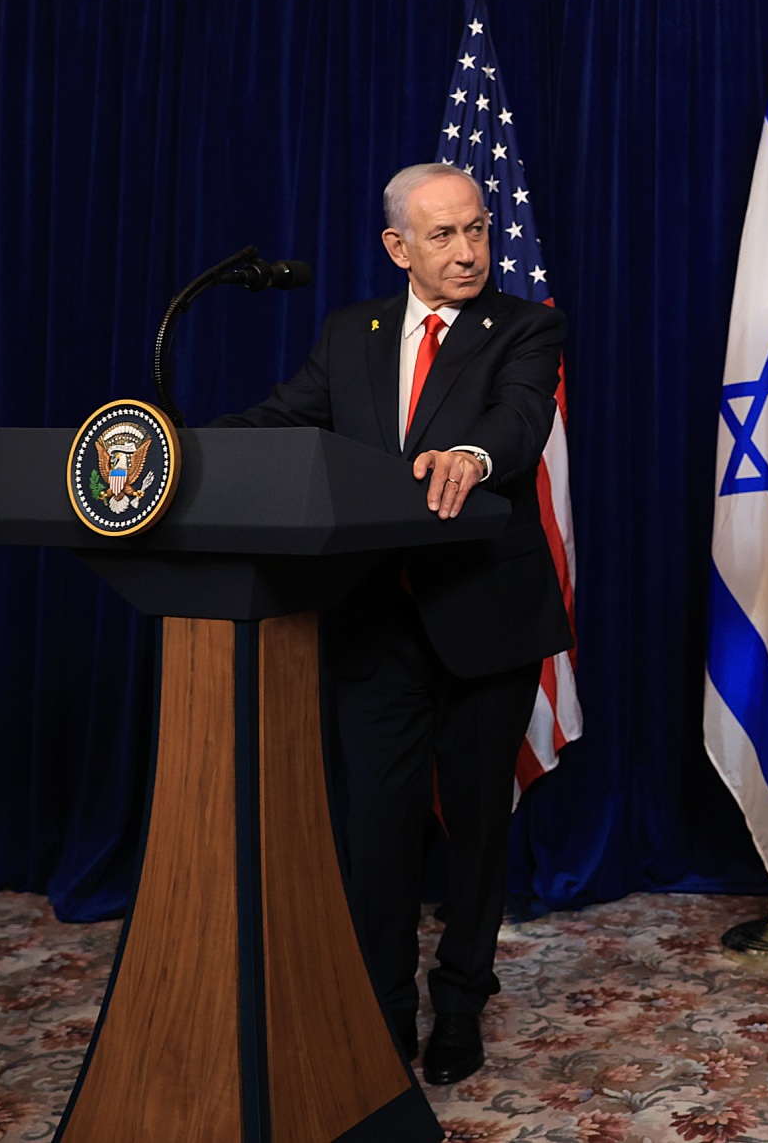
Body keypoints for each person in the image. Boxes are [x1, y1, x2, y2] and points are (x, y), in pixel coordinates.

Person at [213, 162, 571, 1084]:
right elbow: (286, 420)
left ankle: (461, 1002)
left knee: (480, 826)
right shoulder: (351, 332)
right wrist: (182, 447)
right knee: (376, 828)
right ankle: (379, 1008)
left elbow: (519, 419)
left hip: (484, 615)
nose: (468, 250)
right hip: (375, 620)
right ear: (397, 246)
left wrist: (471, 454)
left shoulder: (525, 326)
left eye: (477, 229)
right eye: (443, 234)